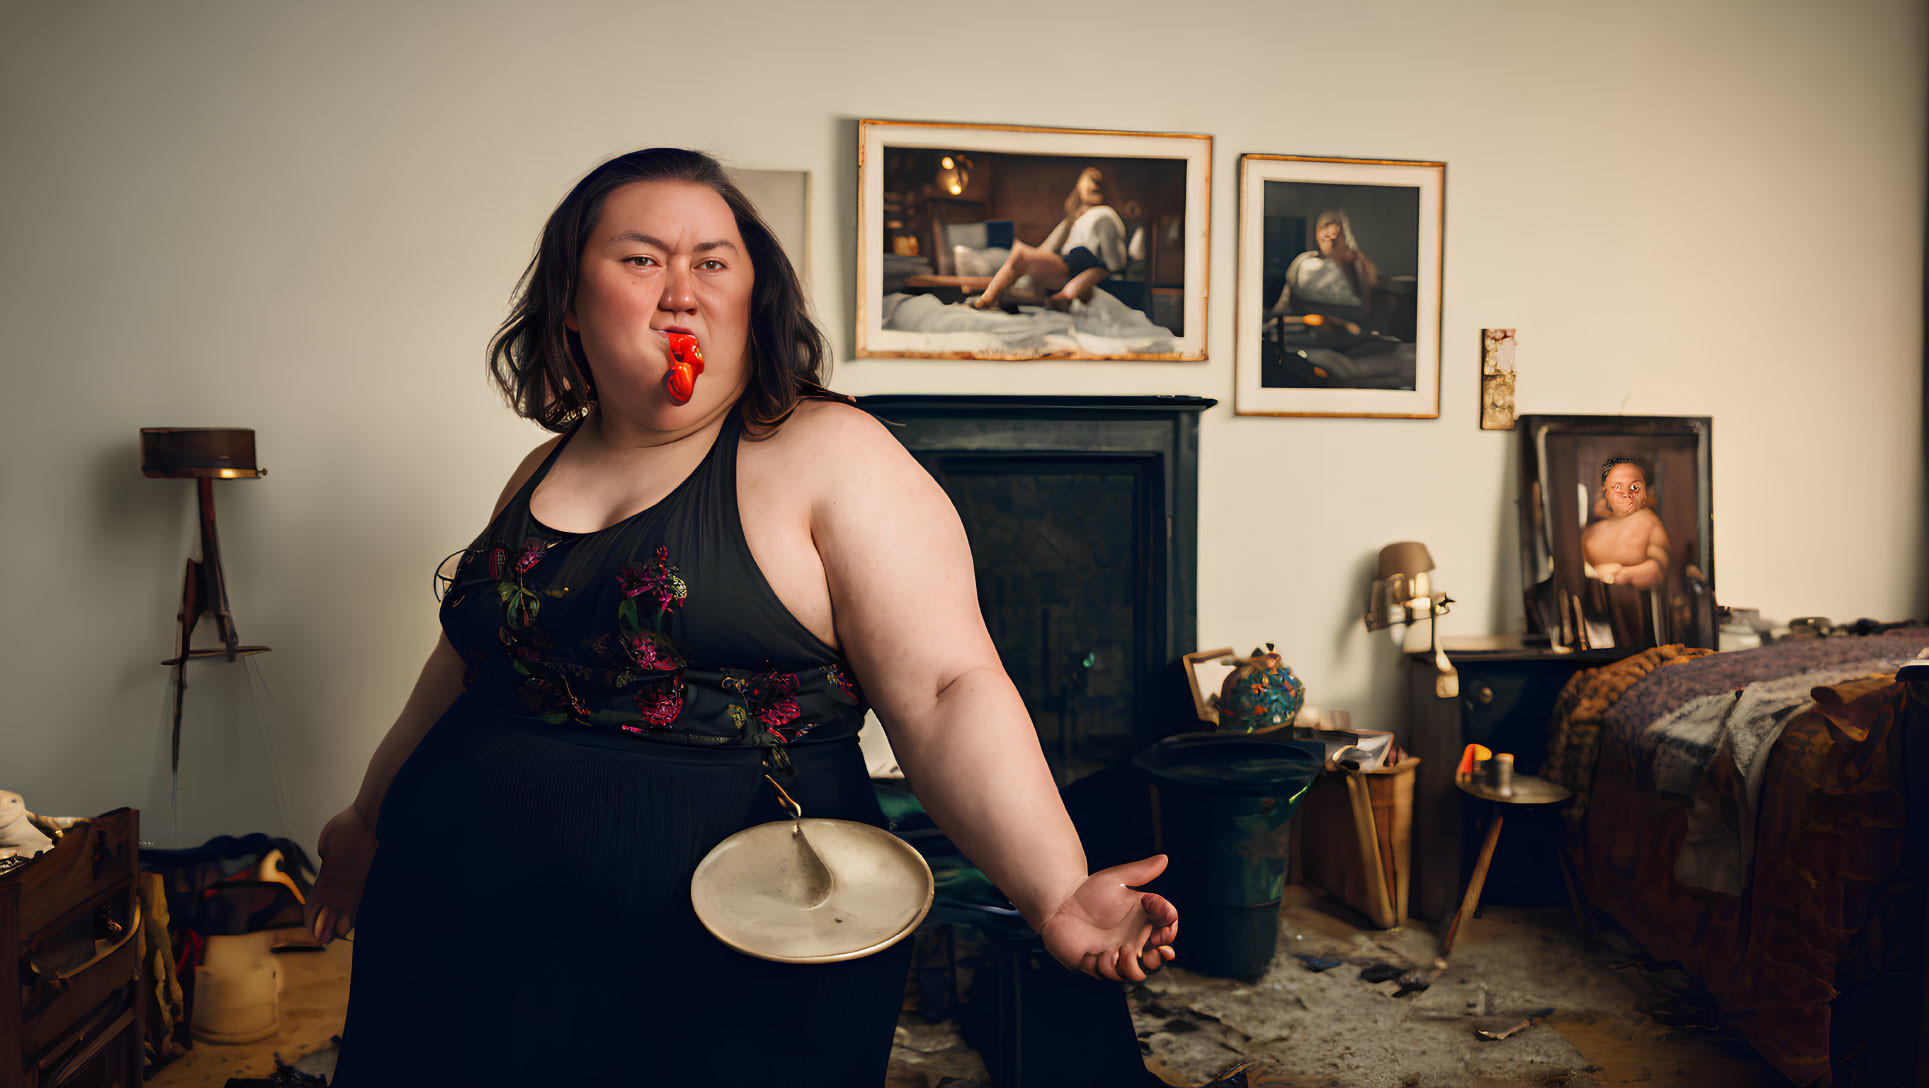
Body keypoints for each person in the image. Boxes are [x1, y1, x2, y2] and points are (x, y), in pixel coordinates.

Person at [303, 148, 1177, 1086]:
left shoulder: (831, 453)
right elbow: (465, 668)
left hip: (731, 946)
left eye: (711, 262)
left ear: (752, 298)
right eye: (641, 259)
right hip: (458, 916)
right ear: (568, 298)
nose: (680, 290)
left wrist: (1052, 887)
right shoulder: (541, 470)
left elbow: (946, 688)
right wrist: (366, 816)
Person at [971, 166, 1127, 311]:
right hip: (1066, 263)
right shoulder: (1072, 220)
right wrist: (1030, 262)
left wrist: (1109, 275)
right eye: (1086, 184)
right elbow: (1047, 247)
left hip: (1086, 265)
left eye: (1095, 186)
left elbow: (1116, 262)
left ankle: (987, 300)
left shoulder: (1105, 214)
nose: (1091, 188)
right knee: (1019, 256)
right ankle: (987, 299)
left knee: (1021, 257)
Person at [1268, 208, 1379, 325]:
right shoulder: (1303, 262)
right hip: (1305, 332)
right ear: (1317, 234)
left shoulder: (1357, 266)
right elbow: (1283, 305)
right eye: (1325, 228)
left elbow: (1365, 310)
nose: (1330, 235)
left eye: (1337, 229)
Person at [1580, 457, 1670, 590]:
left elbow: (1658, 569)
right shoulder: (1591, 532)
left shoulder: (1647, 521)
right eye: (1617, 487)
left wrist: (1622, 574)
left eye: (1633, 487)